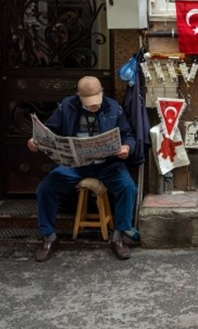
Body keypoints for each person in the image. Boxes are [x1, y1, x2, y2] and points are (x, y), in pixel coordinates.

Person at [27, 76, 137, 262]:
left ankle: (119, 236)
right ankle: (49, 236)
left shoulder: (113, 107)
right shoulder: (67, 106)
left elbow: (128, 135)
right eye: (88, 103)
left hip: (108, 165)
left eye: (96, 102)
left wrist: (127, 147)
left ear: (102, 91)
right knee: (46, 188)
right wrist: (35, 141)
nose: (93, 106)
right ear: (79, 96)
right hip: (75, 166)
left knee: (128, 187)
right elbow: (48, 131)